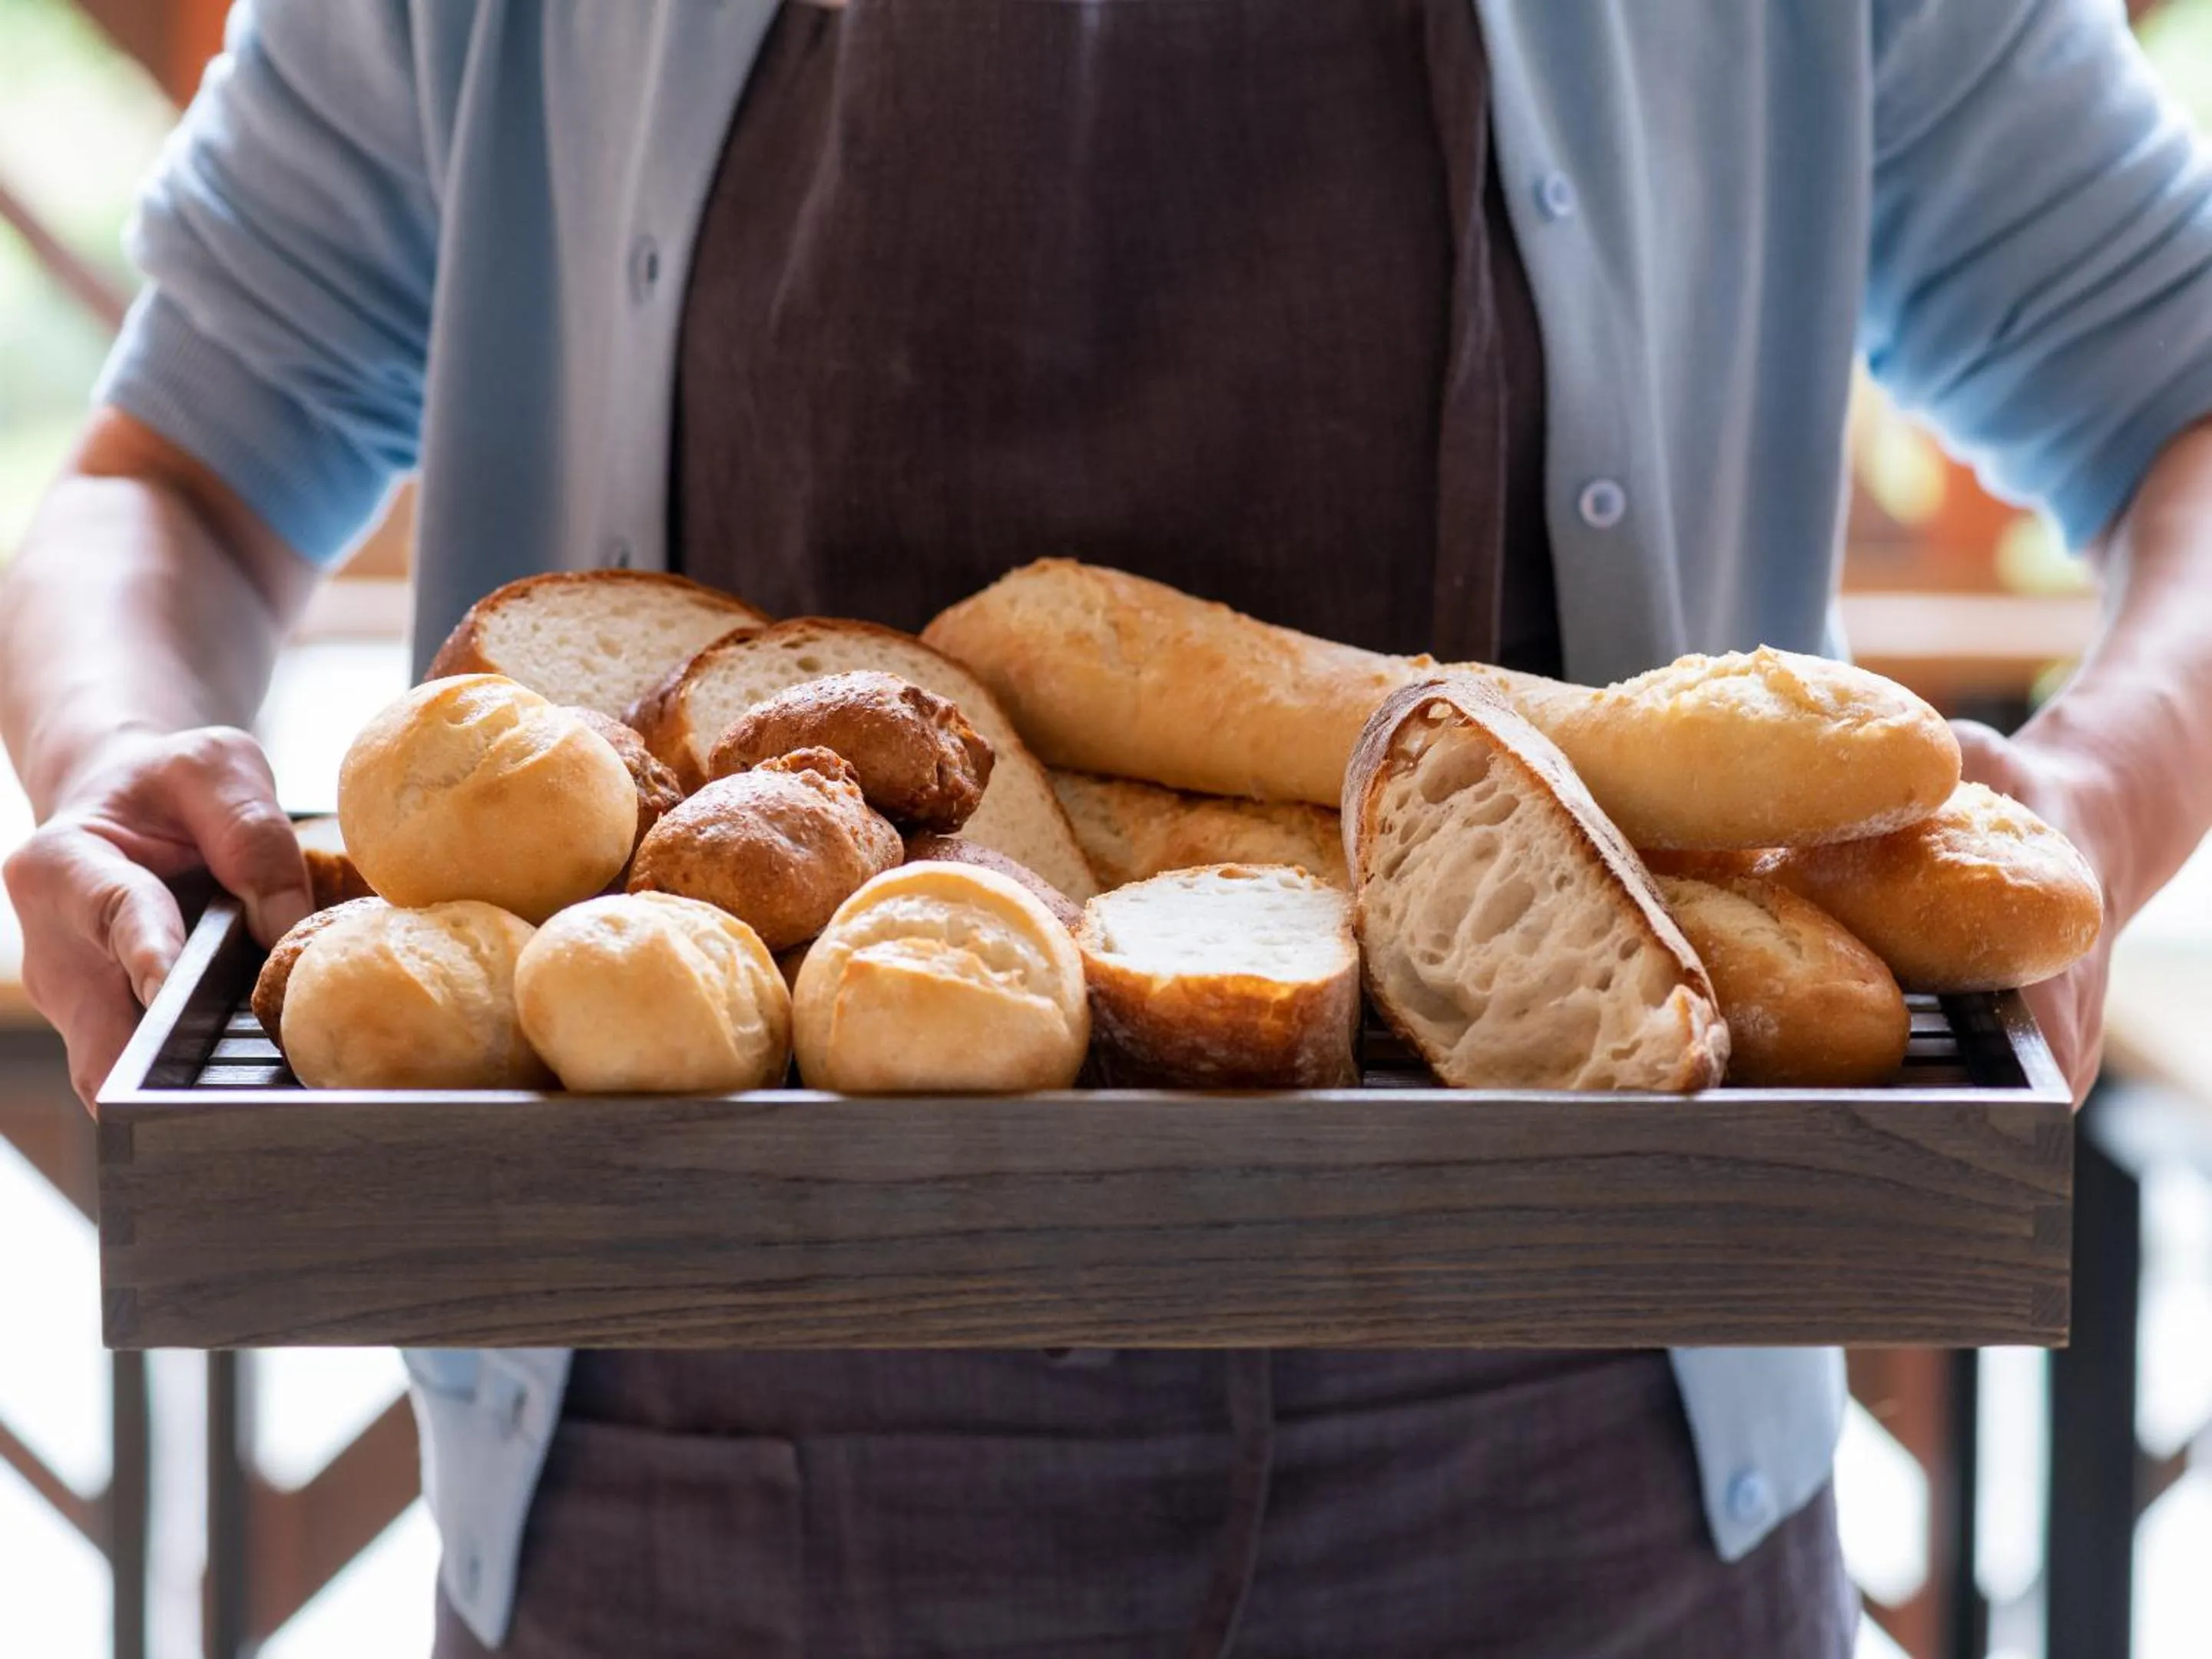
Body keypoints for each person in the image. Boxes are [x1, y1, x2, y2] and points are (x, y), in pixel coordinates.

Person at [7, 0, 2212, 1652]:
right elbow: (176, 470)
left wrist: (2102, 790)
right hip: (688, 1467)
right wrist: (112, 734)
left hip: (1595, 1467)